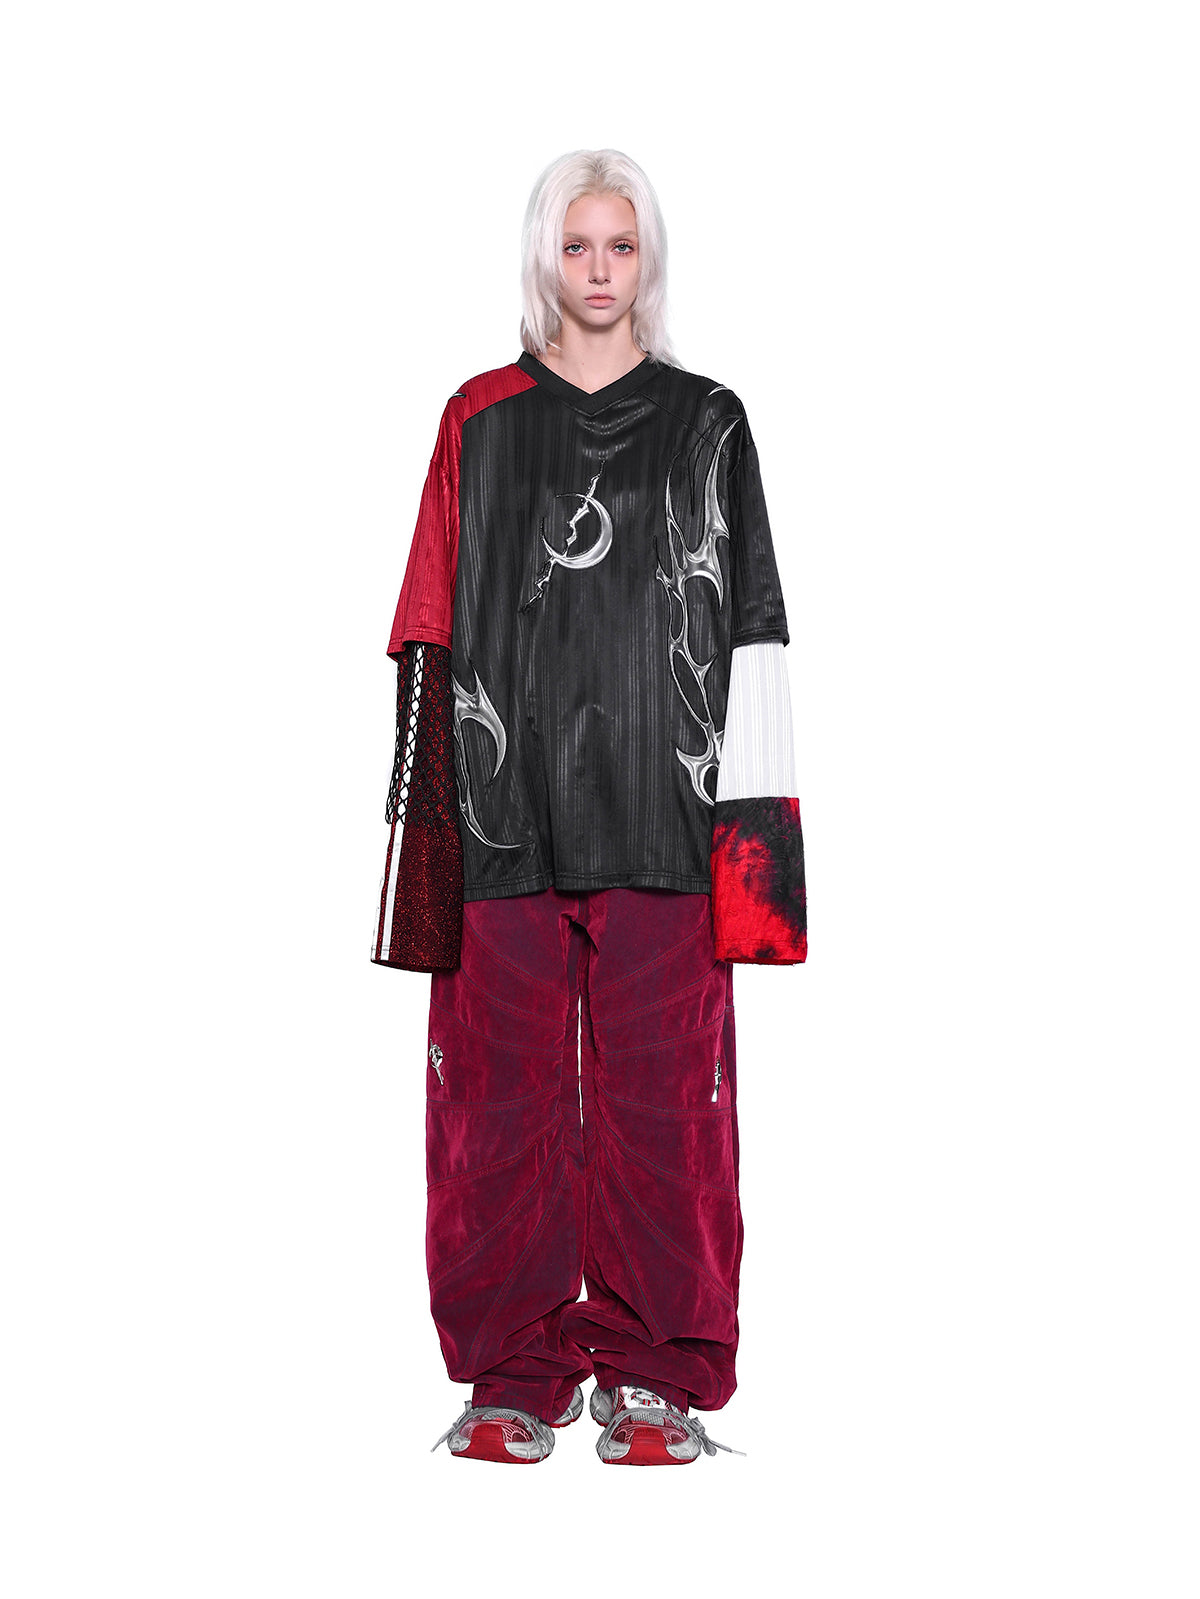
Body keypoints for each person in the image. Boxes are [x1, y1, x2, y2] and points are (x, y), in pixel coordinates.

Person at [371, 149, 806, 1466]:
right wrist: (420, 844)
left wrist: (761, 868)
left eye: (621, 245)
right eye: (577, 245)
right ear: (544, 258)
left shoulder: (710, 423)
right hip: (498, 818)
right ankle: (513, 1376)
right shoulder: (479, 417)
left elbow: (753, 633)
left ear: (648, 257)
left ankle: (656, 1379)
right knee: (492, 1108)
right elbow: (428, 623)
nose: (600, 270)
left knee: (670, 1110)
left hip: (667, 819)